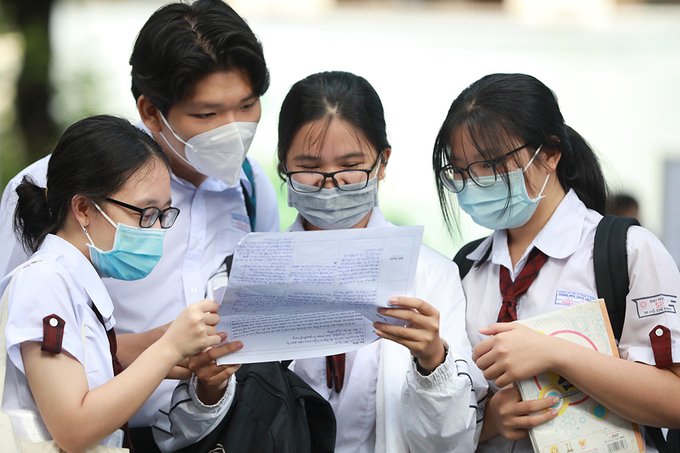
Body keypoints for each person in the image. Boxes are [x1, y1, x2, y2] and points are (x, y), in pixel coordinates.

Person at [0, 1, 280, 451]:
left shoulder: (249, 186)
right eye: (207, 115)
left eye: (247, 106)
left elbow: (99, 340)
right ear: (151, 111)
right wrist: (168, 349)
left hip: (209, 426)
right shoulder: (47, 188)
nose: (233, 130)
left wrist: (194, 351)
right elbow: (19, 330)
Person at [432, 73, 680, 452]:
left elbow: (674, 401)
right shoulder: (466, 267)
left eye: (490, 164)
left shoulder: (625, 251)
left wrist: (555, 353)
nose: (474, 183)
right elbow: (441, 418)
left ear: (549, 153)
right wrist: (491, 421)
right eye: (461, 171)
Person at [276, 70, 487, 453]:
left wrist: (431, 361)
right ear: (282, 165)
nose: (330, 182)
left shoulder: (431, 275)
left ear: (382, 162)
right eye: (309, 166)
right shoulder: (254, 274)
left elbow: (451, 443)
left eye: (350, 165)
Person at [0, 115, 223, 452]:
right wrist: (168, 349)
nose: (158, 229)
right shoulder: (43, 281)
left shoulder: (74, 281)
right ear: (84, 208)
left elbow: (88, 359)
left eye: (164, 214)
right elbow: (73, 429)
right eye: (145, 213)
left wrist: (163, 341)